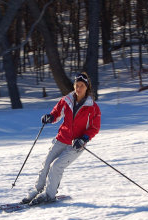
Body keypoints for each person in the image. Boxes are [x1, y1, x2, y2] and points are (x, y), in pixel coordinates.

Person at [22, 72, 101, 205]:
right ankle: (37, 190)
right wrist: (50, 117)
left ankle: (49, 195)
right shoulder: (67, 100)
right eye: (77, 85)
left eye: (82, 85)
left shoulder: (93, 107)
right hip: (61, 139)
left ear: (87, 87)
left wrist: (84, 138)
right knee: (46, 164)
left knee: (56, 166)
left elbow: (94, 127)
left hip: (76, 145)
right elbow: (56, 113)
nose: (78, 88)